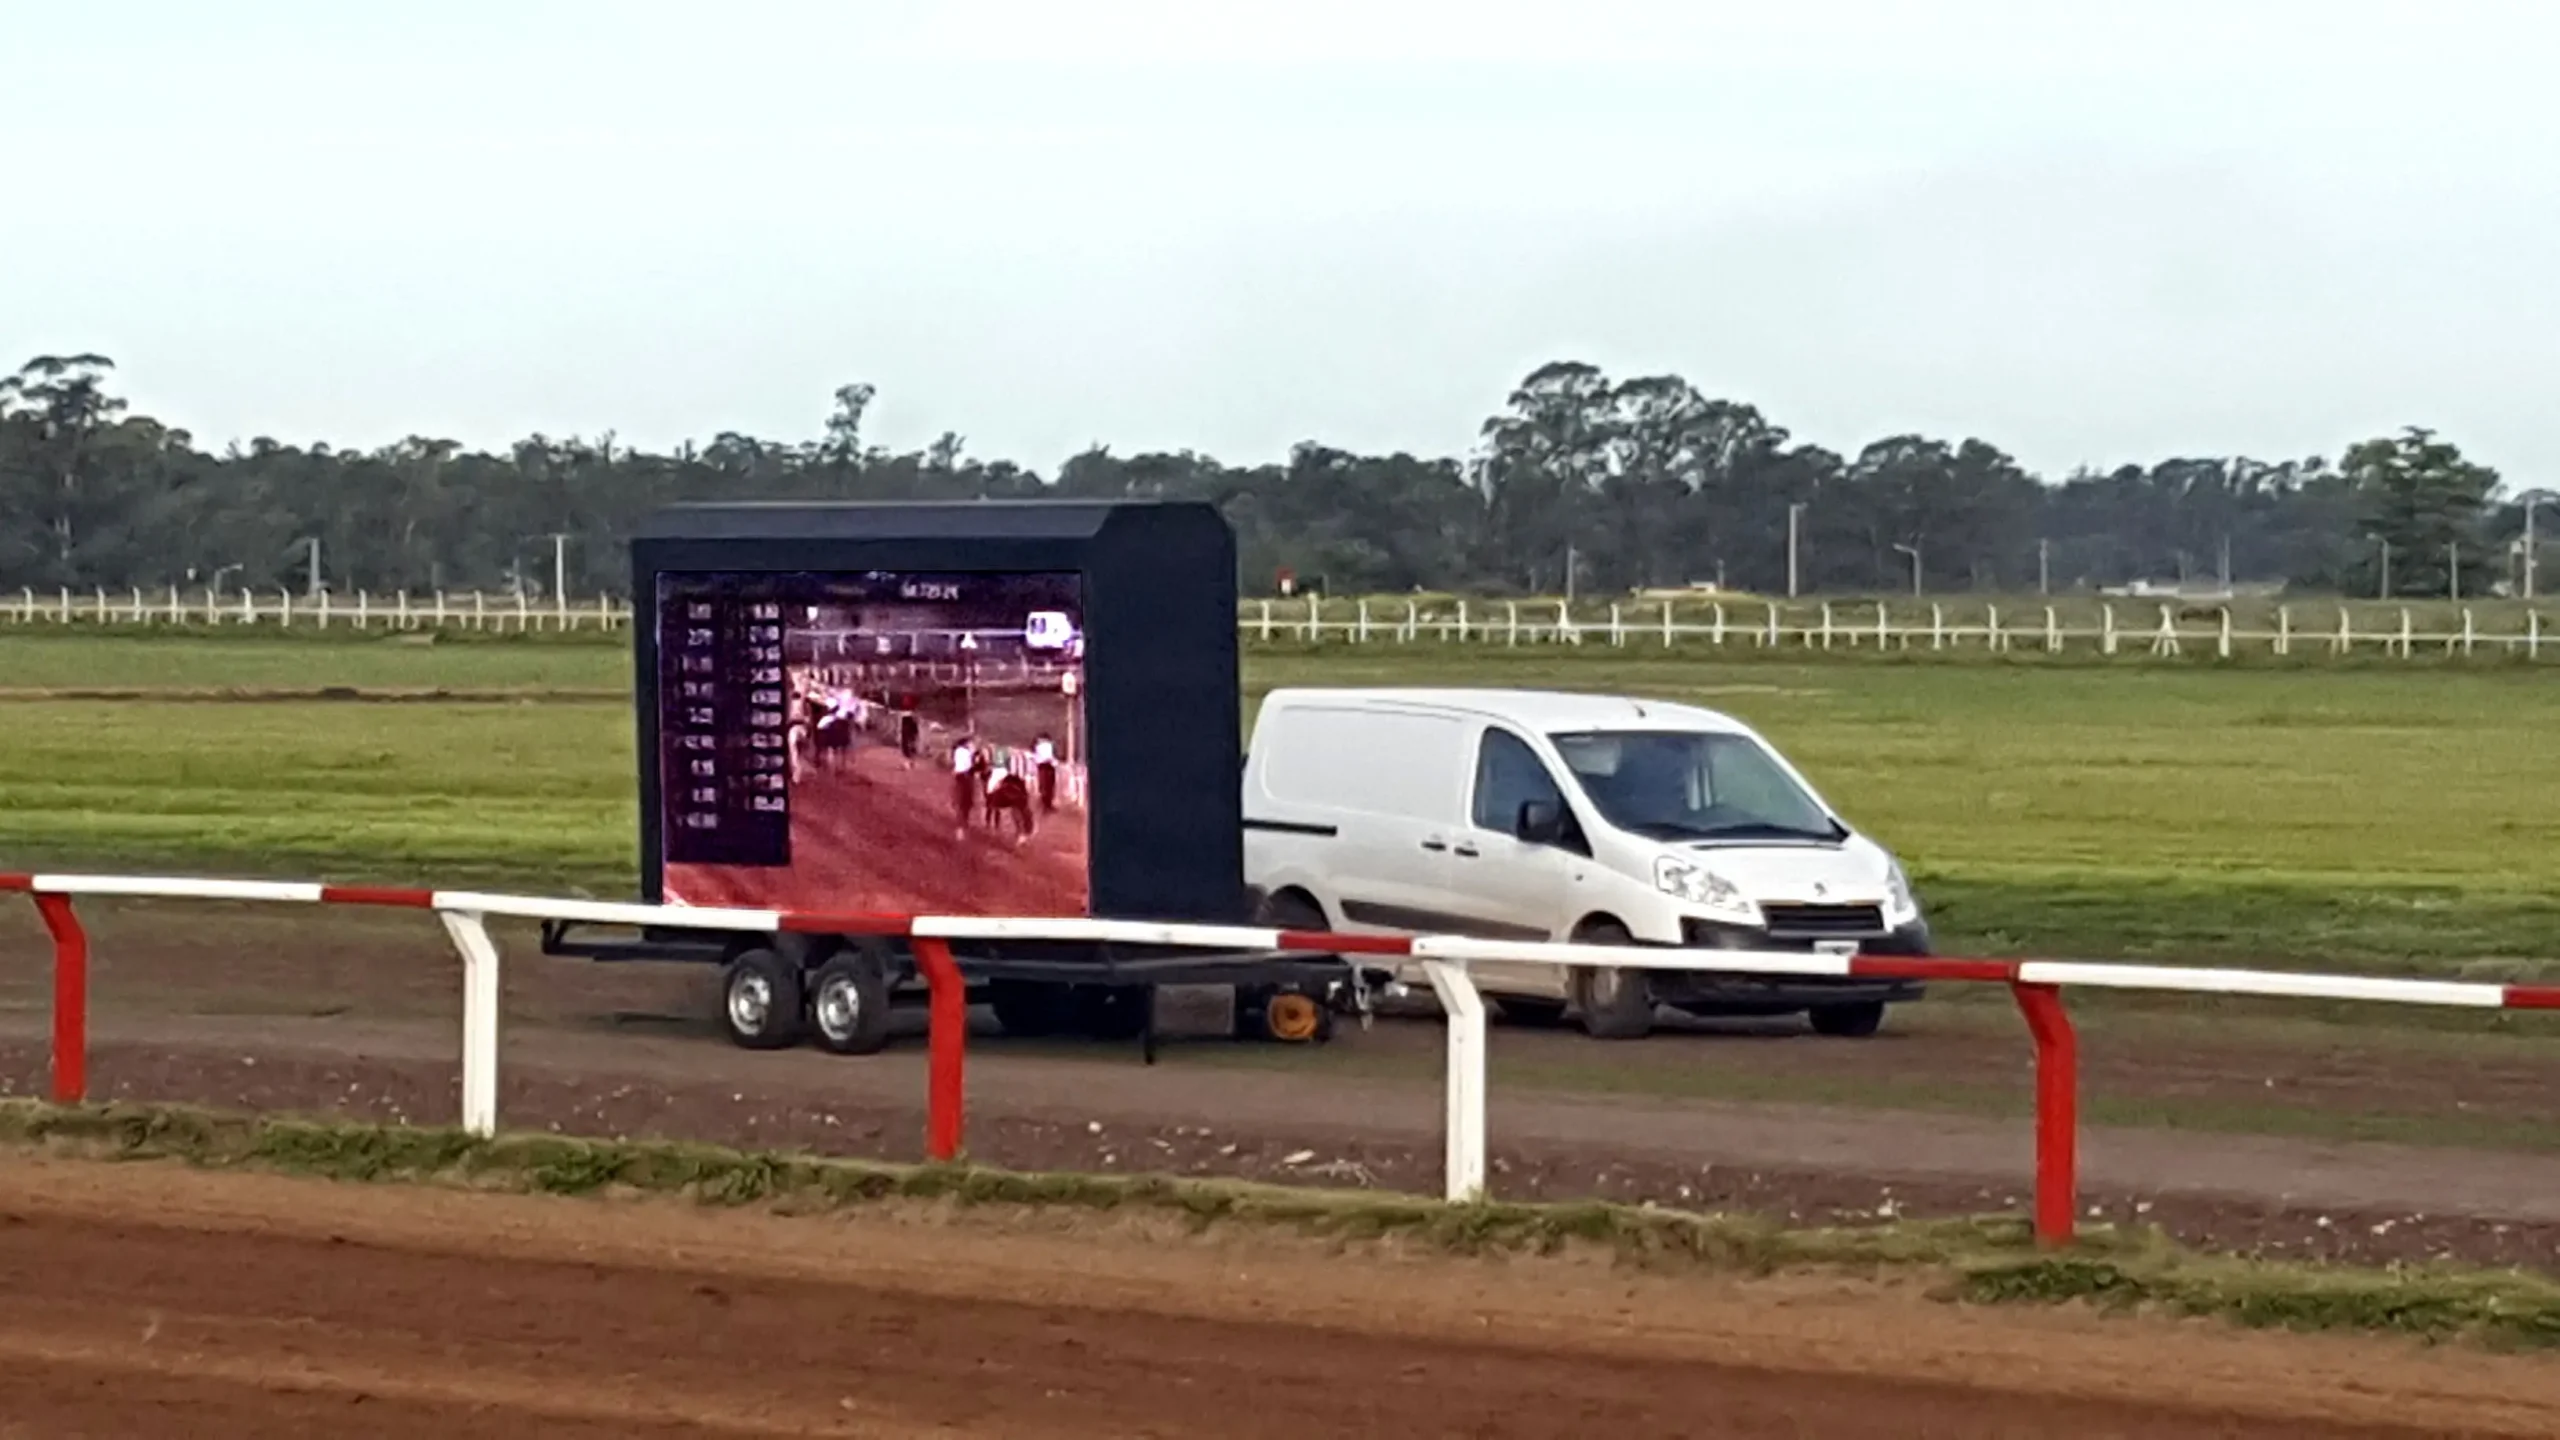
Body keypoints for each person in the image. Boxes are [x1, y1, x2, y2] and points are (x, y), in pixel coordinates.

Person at [986, 749, 1035, 846]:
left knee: (1017, 812)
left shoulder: (1001, 771)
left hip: (1012, 789)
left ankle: (1022, 833)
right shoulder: (1021, 762)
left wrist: (992, 791)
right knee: (1020, 811)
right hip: (1017, 789)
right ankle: (1023, 832)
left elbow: (993, 785)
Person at [948, 735, 978, 837]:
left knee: (961, 803)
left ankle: (961, 825)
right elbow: (973, 765)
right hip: (966, 778)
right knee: (965, 803)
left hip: (960, 777)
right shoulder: (967, 752)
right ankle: (962, 825)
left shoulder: (958, 751)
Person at [1033, 732, 1058, 814]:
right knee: (1046, 786)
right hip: (1045, 766)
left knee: (1046, 785)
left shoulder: (1041, 746)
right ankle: (1046, 804)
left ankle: (1046, 804)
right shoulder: (1047, 745)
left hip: (1046, 767)